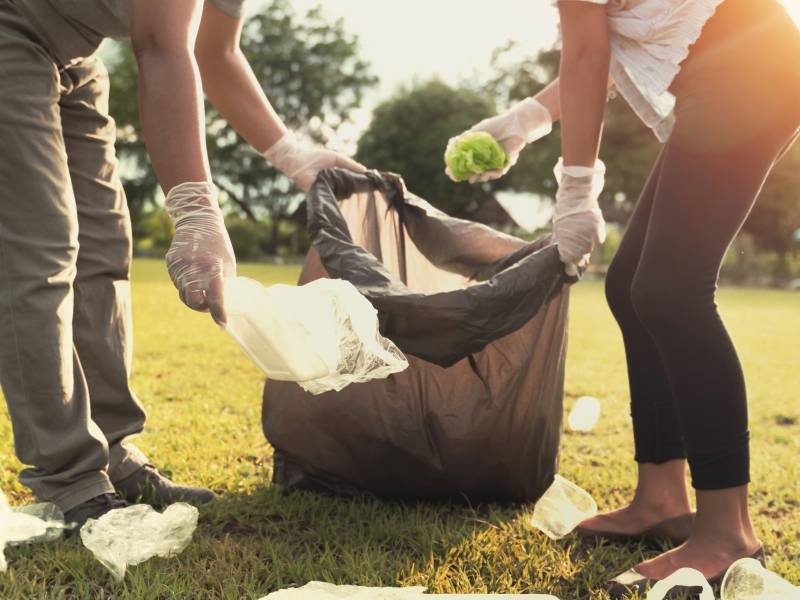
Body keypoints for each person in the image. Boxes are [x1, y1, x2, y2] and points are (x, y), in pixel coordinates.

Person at [449, 0, 800, 594]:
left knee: (670, 292)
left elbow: (588, 49)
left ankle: (727, 531)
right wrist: (523, 121)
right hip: (741, 60)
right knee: (632, 287)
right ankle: (661, 496)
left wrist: (577, 192)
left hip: (744, 63)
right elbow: (605, 44)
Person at [0, 0, 364, 530]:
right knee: (42, 252)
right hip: (12, 27)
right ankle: (69, 478)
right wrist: (195, 209)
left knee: (104, 249)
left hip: (78, 54)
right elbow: (160, 45)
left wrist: (290, 153)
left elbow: (213, 51)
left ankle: (115, 453)